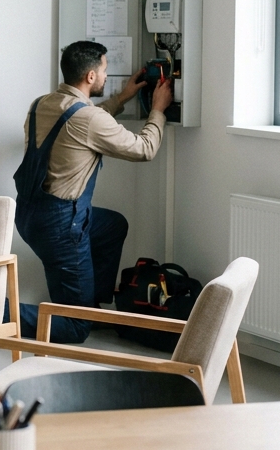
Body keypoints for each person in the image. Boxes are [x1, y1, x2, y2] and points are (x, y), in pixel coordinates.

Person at [14, 40, 172, 343]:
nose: (105, 77)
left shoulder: (42, 104)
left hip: (31, 215)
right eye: (104, 71)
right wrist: (158, 110)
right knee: (75, 328)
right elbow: (145, 149)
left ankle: (90, 305)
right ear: (89, 77)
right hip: (62, 225)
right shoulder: (89, 119)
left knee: (113, 226)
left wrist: (122, 97)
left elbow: (83, 120)